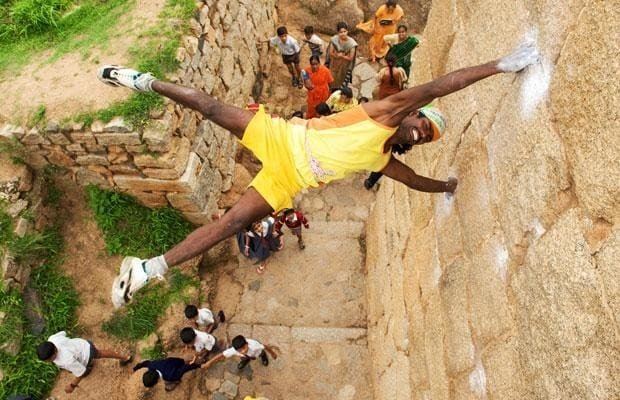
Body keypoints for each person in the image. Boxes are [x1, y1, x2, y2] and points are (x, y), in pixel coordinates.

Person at [98, 39, 540, 307]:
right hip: (283, 139)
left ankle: (148, 269)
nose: (422, 133)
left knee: (234, 222)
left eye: (426, 138)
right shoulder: (385, 112)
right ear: (414, 113)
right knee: (210, 107)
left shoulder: (382, 159)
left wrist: (445, 186)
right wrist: (501, 65)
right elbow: (444, 84)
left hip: (289, 181)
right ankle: (140, 80)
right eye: (424, 124)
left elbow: (415, 182)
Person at [37, 331, 132, 393]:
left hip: (87, 353)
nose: (47, 362)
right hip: (82, 344)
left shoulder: (66, 360)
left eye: (48, 360)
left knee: (99, 355)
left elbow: (80, 373)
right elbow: (64, 333)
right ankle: (125, 357)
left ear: (54, 355)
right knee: (99, 353)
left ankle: (124, 357)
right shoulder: (52, 339)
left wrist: (72, 386)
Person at [201, 335, 278, 371]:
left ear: (247, 344)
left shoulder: (254, 345)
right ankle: (246, 360)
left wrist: (272, 353)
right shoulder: (234, 350)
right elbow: (221, 355)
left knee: (260, 354)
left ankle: (264, 356)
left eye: (244, 348)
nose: (243, 351)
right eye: (239, 350)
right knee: (243, 357)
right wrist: (209, 363)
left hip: (256, 352)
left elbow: (265, 346)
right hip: (247, 356)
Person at [133, 357, 200, 391]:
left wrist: (196, 365)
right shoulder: (151, 365)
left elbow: (183, 369)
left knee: (175, 377)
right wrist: (135, 368)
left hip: (178, 365)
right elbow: (145, 363)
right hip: (173, 360)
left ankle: (176, 382)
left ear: (157, 382)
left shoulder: (169, 376)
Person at [327, 22, 357, 90]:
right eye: (341, 32)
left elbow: (350, 58)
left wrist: (342, 56)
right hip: (334, 63)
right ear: (338, 33)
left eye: (344, 31)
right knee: (332, 78)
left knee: (341, 79)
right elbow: (330, 52)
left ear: (347, 31)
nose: (343, 34)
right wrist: (337, 55)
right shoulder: (334, 40)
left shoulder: (351, 43)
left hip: (344, 65)